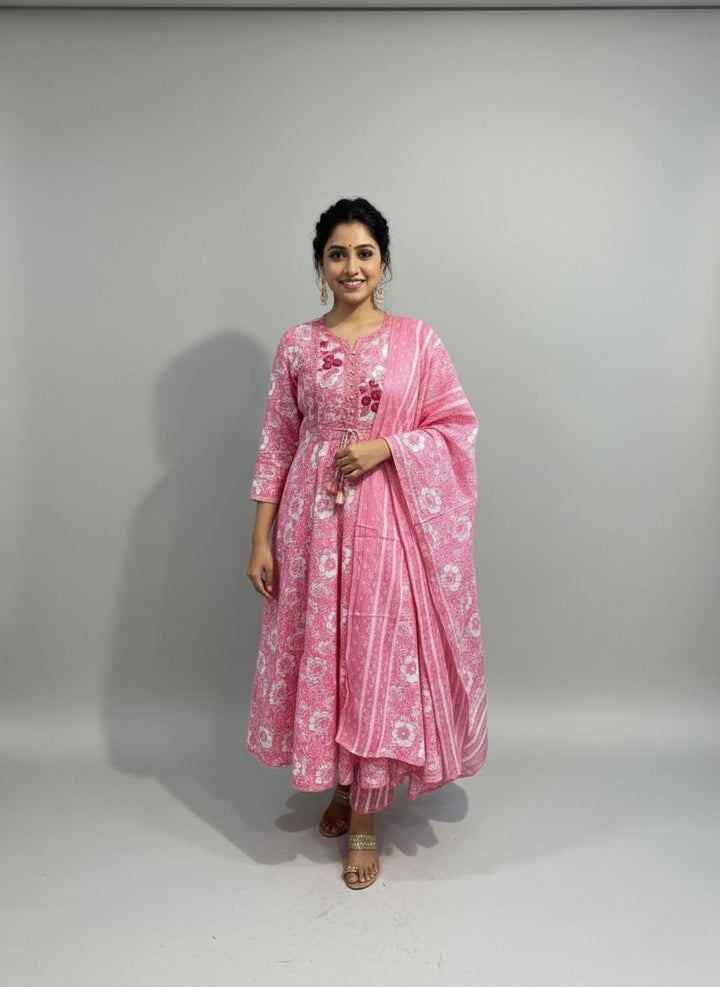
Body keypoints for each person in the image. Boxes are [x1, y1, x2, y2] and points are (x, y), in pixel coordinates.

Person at [246, 198, 487, 890]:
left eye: (365, 253)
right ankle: (340, 786)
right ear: (320, 265)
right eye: (337, 254)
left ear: (385, 262)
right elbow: (276, 444)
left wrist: (387, 446)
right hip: (311, 525)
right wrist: (260, 539)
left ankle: (364, 819)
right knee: (325, 652)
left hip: (389, 526)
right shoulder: (296, 343)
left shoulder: (418, 341)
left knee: (376, 658)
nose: (352, 266)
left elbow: (455, 427)